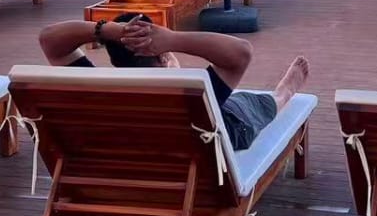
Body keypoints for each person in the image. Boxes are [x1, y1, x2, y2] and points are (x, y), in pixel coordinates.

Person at [38, 13, 309, 151]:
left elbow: (49, 40)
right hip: (204, 140)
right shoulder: (190, 93)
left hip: (129, 154)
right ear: (162, 55)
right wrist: (173, 39)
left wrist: (109, 30)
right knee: (250, 104)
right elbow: (241, 53)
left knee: (225, 100)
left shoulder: (96, 90)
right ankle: (283, 93)